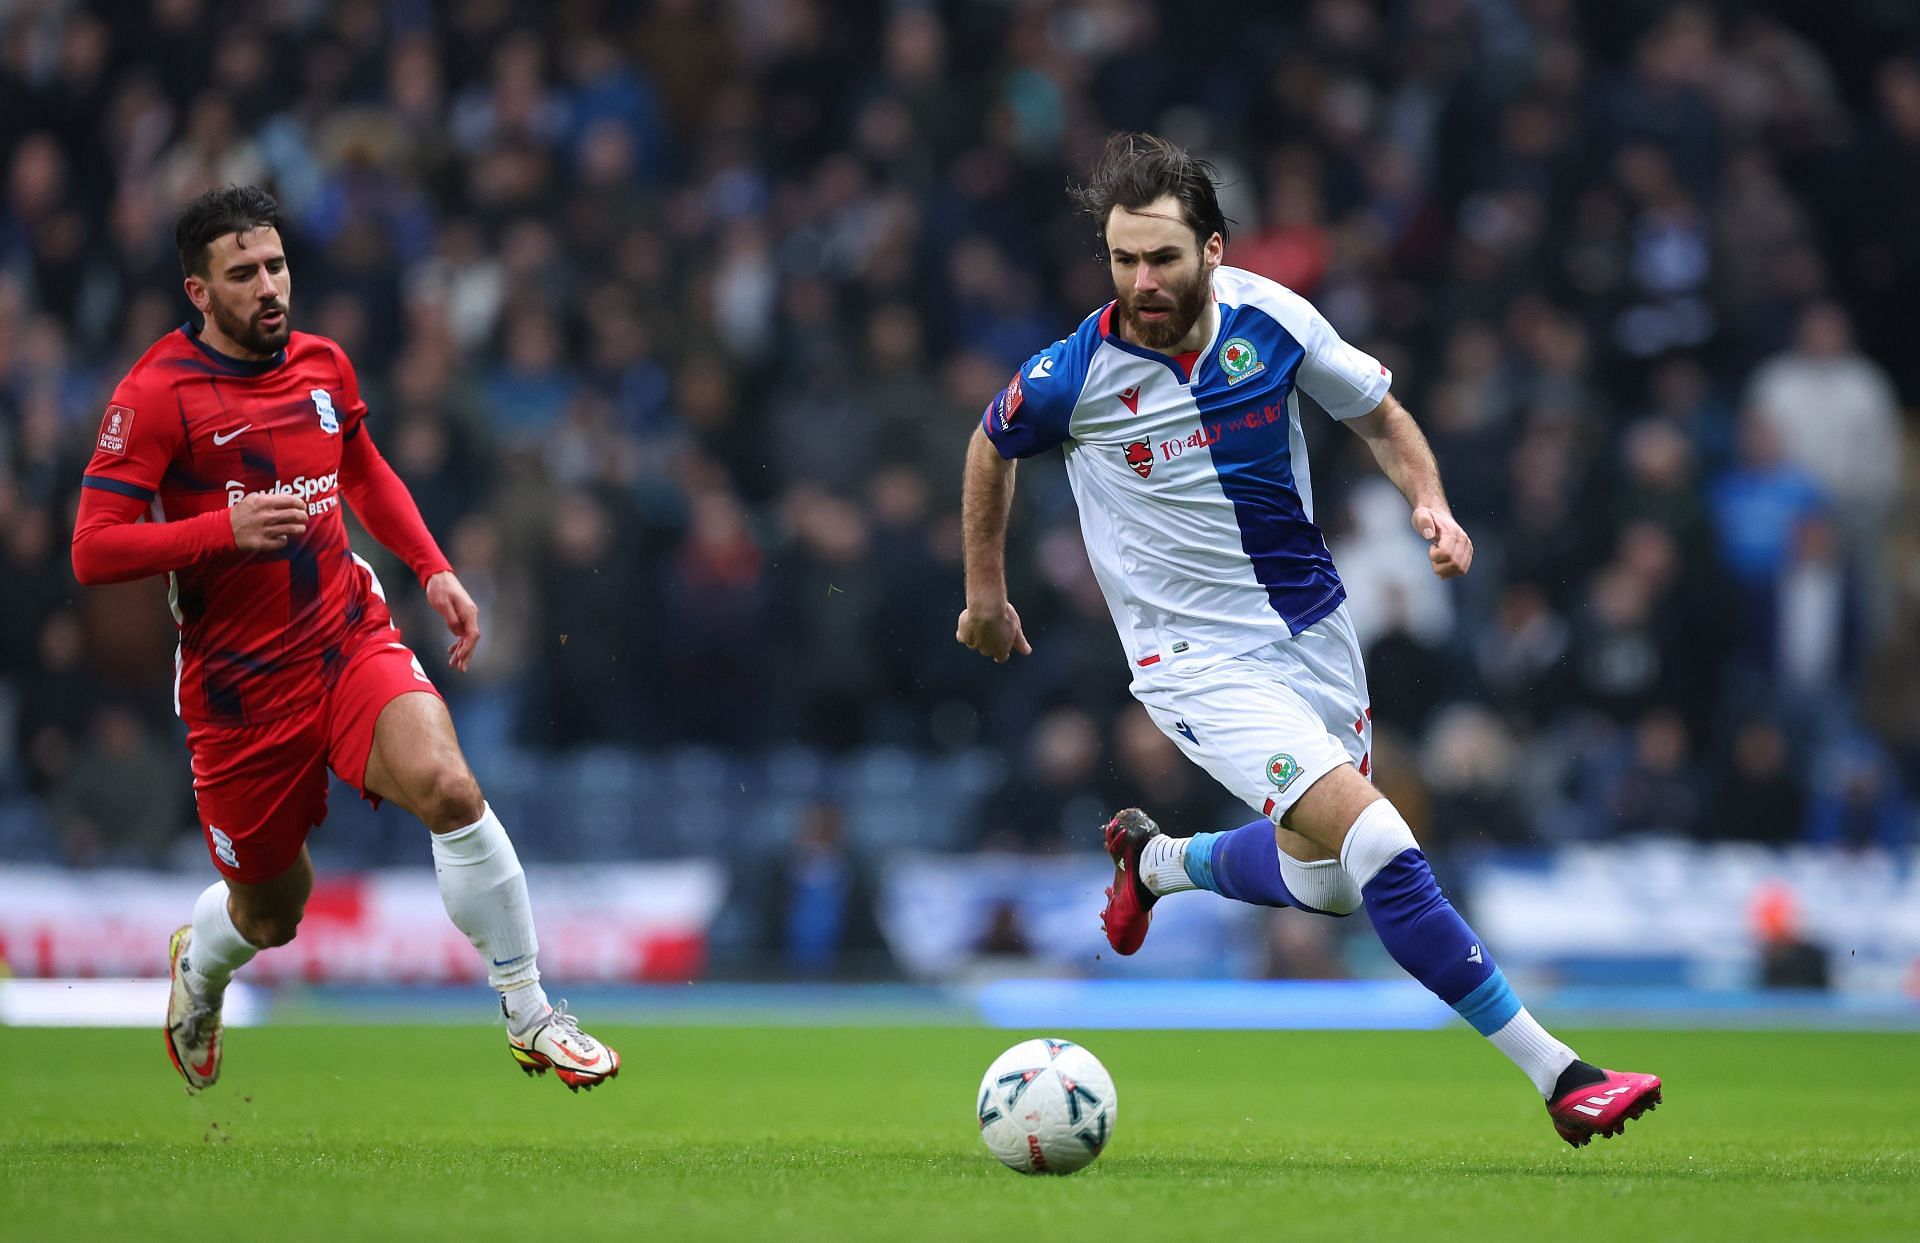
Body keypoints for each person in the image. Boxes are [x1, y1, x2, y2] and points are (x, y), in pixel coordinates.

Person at [956, 133, 1660, 1148]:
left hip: (1315, 637)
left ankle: (1157, 864)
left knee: (1329, 884)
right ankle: (1563, 1075)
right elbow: (990, 442)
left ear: (1213, 247)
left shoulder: (1273, 320)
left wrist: (1433, 504)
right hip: (1193, 663)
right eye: (1122, 260)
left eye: (1162, 258)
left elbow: (1378, 412)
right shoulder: (1077, 372)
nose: (1141, 282)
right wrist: (986, 591)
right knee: (1378, 839)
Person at [69, 186, 618, 1094]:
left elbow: (360, 466)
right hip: (238, 690)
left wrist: (431, 564)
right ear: (198, 292)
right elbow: (94, 549)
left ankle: (529, 1011)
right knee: (274, 911)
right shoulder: (156, 393)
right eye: (242, 273)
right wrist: (224, 531)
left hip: (345, 636)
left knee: (450, 784)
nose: (268, 286)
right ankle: (199, 969)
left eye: (276, 265)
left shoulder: (324, 364)